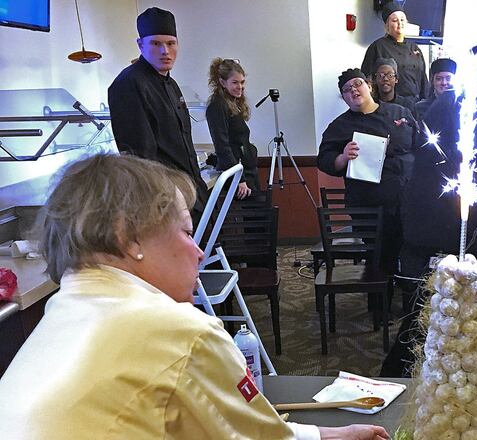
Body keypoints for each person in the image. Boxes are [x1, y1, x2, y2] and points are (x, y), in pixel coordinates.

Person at [0, 154, 389, 440]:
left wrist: (325, 436)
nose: (199, 252)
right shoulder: (177, 330)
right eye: (187, 233)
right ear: (127, 237)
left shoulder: (63, 307)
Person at [380, 42, 477, 378]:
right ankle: (391, 381)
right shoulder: (451, 108)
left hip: (470, 226)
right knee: (429, 309)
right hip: (439, 228)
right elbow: (458, 173)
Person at [108, 7, 208, 220]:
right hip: (163, 201)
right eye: (156, 43)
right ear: (140, 45)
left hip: (189, 191)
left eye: (171, 43)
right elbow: (140, 156)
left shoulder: (171, 84)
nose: (165, 51)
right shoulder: (128, 84)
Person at [317, 68, 417, 273]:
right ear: (344, 98)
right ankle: (379, 303)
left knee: (413, 255)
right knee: (380, 261)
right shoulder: (339, 126)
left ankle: (409, 301)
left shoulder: (399, 112)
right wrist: (344, 156)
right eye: (346, 90)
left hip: (409, 201)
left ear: (369, 86)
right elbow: (324, 160)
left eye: (357, 84)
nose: (353, 90)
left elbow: (422, 145)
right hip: (370, 206)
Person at [206, 58, 261, 199]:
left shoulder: (232, 104)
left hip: (245, 170)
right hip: (236, 174)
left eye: (242, 82)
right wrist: (239, 179)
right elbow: (222, 145)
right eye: (235, 82)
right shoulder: (217, 106)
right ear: (222, 82)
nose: (240, 87)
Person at [361, 2, 429, 100]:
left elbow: (423, 80)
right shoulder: (377, 47)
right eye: (395, 20)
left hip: (415, 104)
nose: (399, 23)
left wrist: (425, 103)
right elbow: (366, 78)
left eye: (402, 20)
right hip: (390, 104)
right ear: (387, 26)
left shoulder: (415, 48)